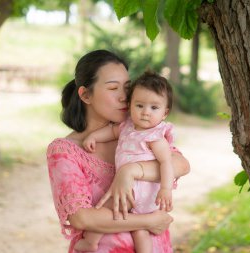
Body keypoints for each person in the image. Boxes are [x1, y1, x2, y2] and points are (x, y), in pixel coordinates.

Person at [46, 49, 190, 253]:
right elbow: (81, 218)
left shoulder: (138, 131)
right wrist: (148, 221)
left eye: (127, 88)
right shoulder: (64, 151)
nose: (124, 97)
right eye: (113, 88)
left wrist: (129, 171)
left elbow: (180, 164)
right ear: (86, 95)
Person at [74, 71, 177, 252]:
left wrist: (166, 189)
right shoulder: (127, 126)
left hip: (138, 189)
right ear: (130, 105)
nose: (145, 112)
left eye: (154, 108)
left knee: (106, 208)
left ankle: (90, 242)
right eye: (139, 105)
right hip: (136, 192)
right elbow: (112, 133)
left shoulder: (155, 137)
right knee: (140, 231)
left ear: (165, 112)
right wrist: (94, 137)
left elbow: (166, 163)